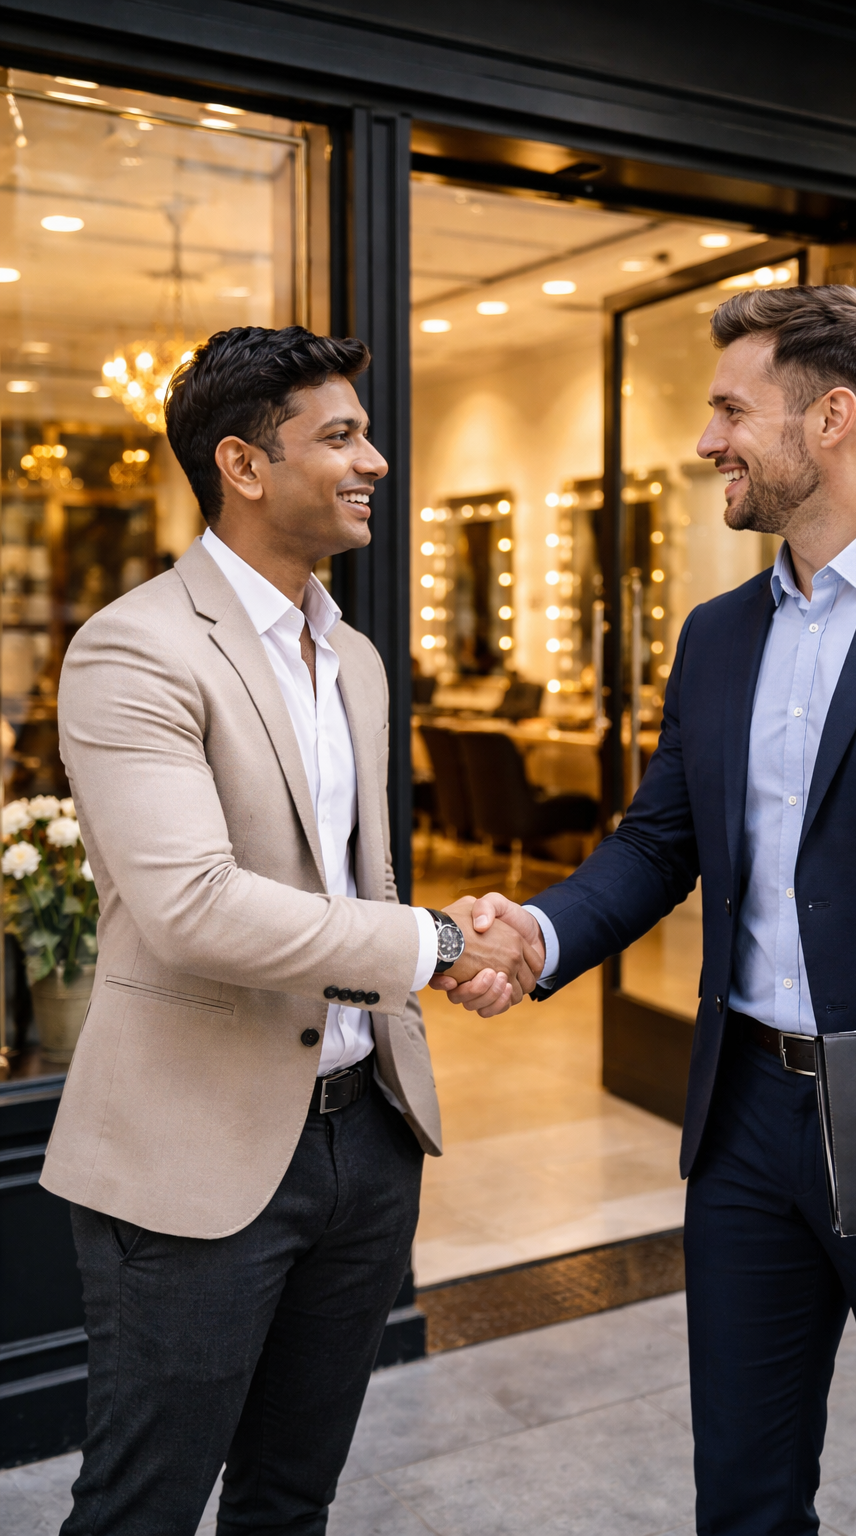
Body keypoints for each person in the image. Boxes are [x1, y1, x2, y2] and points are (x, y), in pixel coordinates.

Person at [438, 286, 856, 1535]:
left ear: (830, 417)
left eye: (728, 410)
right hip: (743, 1122)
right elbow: (658, 846)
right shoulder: (713, 637)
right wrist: (538, 937)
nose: (707, 442)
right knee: (743, 1501)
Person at [43, 325, 541, 1536]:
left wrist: (450, 947)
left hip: (366, 1139)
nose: (374, 459)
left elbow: (351, 883)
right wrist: (433, 943)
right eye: (341, 436)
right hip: (191, 1155)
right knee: (138, 1508)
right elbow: (193, 904)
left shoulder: (358, 660)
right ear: (244, 465)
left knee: (291, 1497)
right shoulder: (132, 648)